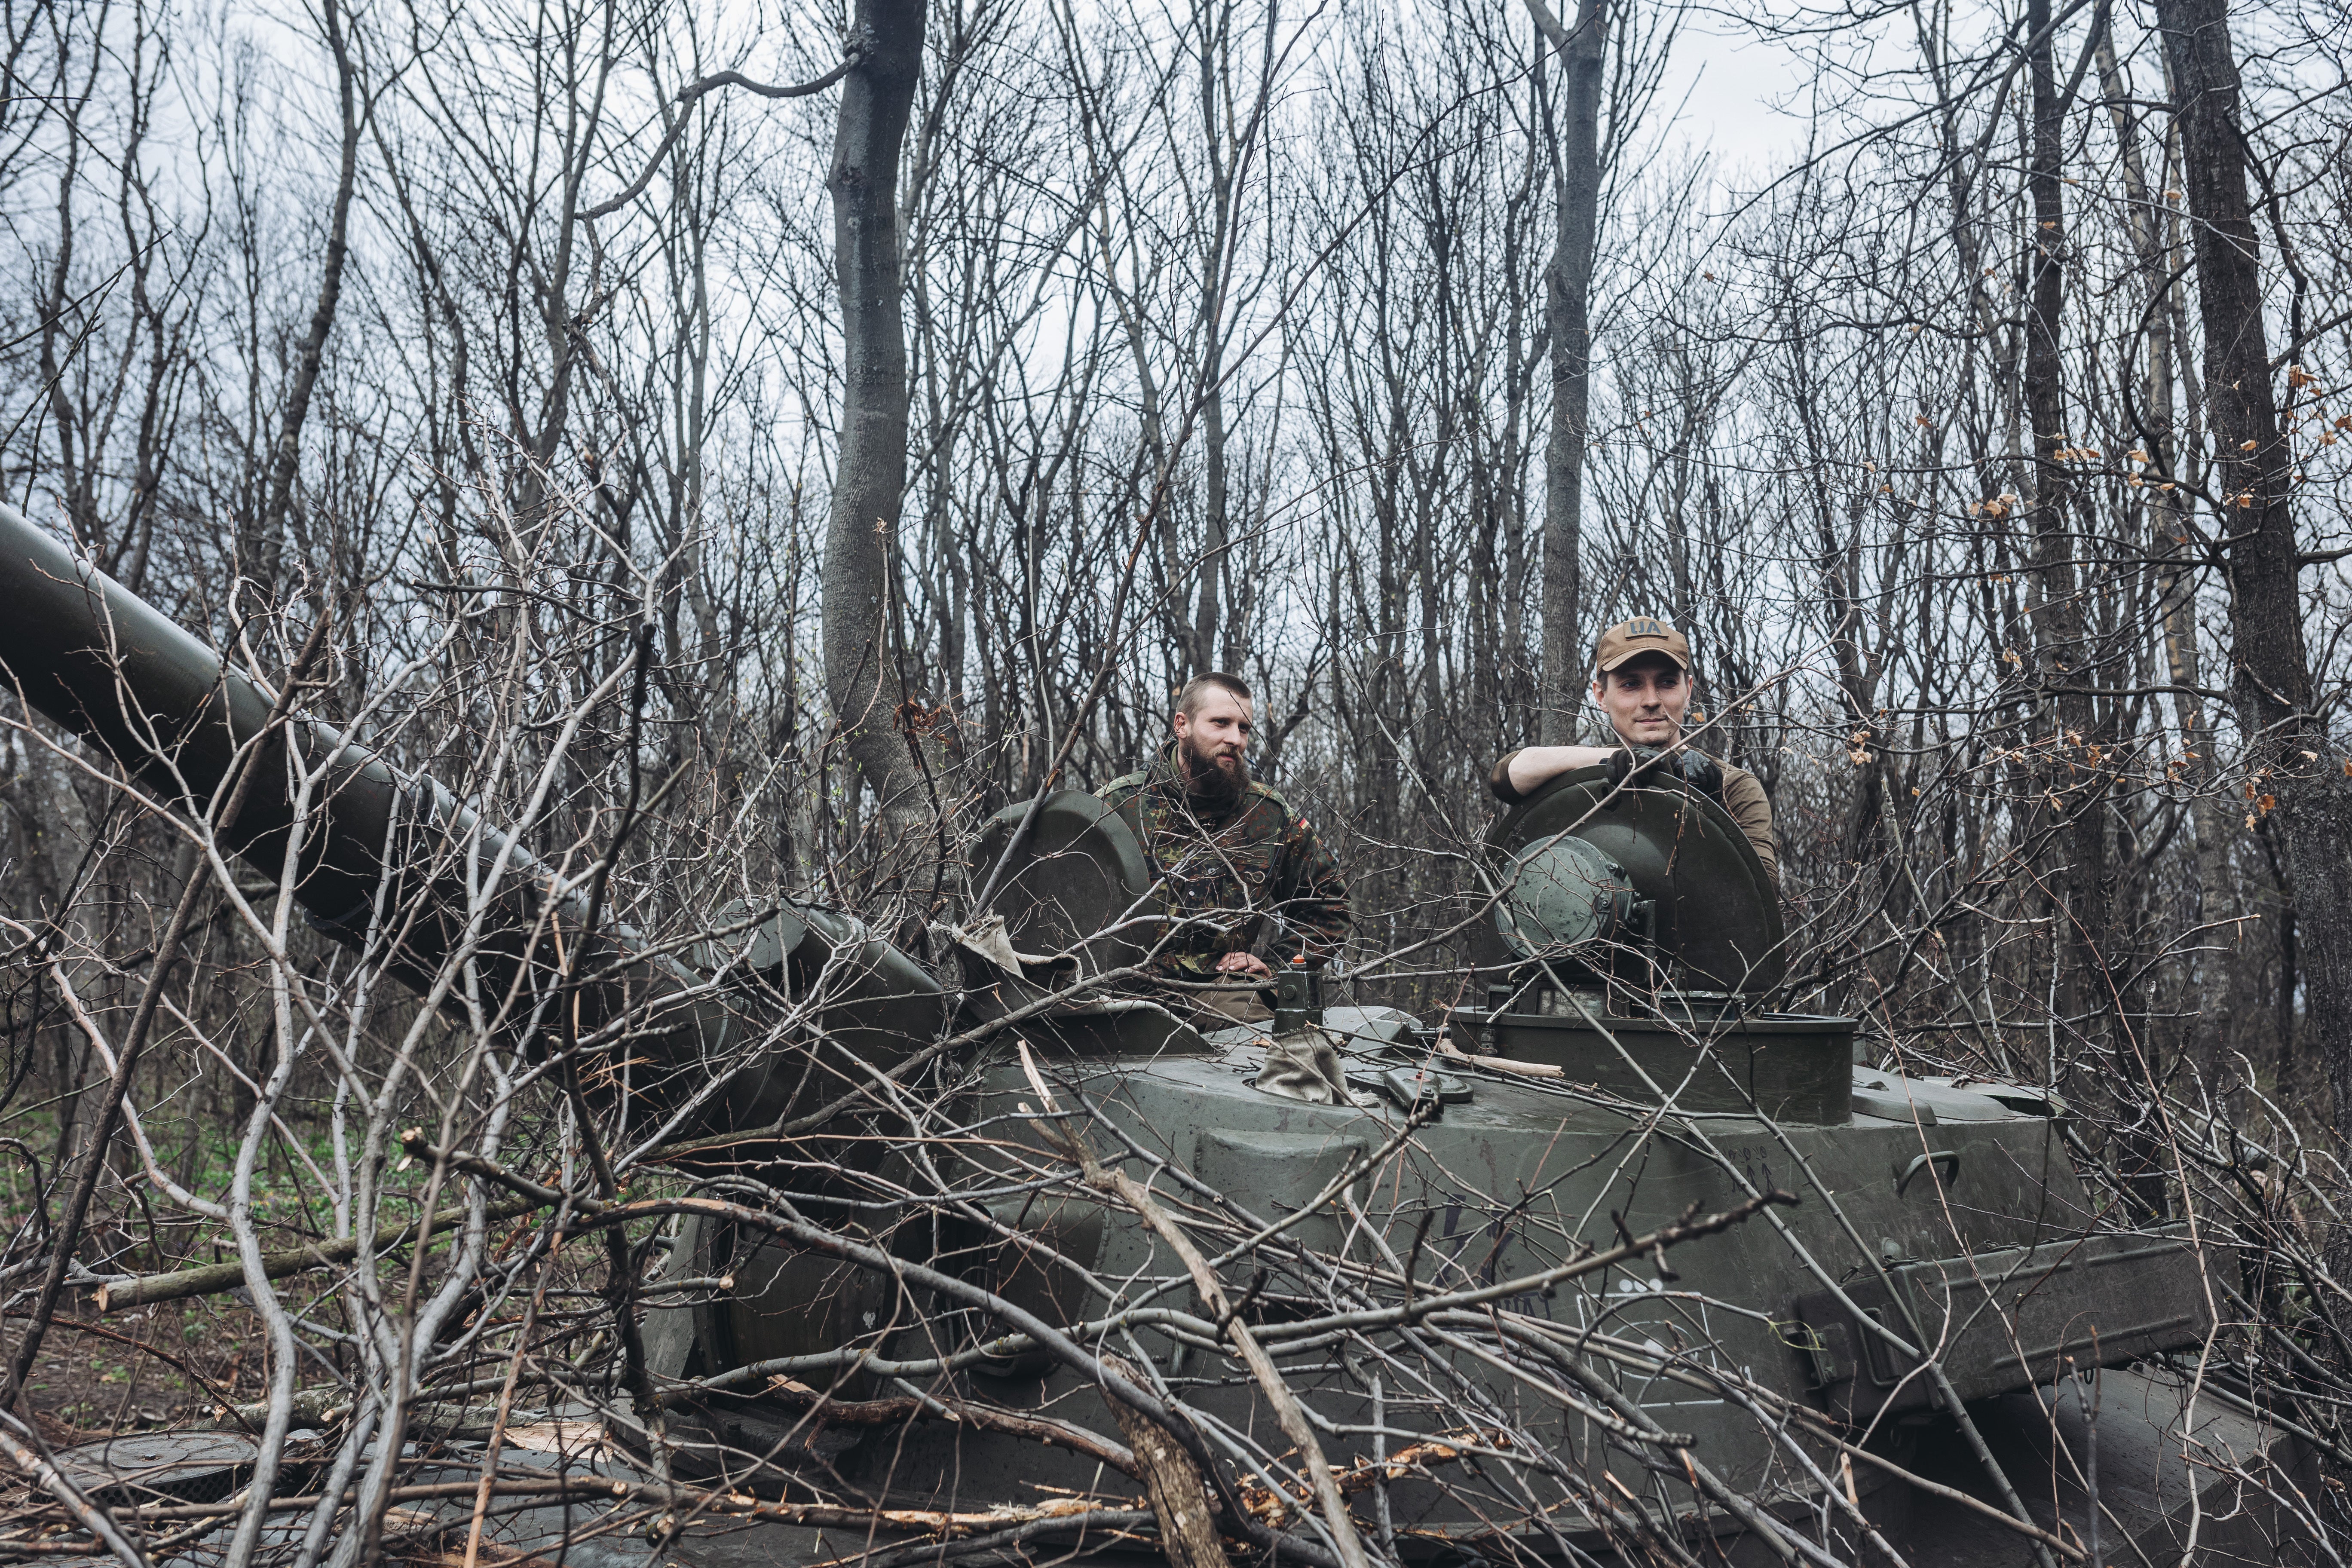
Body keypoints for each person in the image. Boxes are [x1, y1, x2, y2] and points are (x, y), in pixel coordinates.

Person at [1101, 672, 1350, 1014]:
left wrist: (1278, 967)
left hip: (1216, 991)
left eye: (1244, 728)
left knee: (1263, 1037)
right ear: (1182, 725)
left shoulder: (1268, 815)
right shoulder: (1120, 805)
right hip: (1118, 985)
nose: (1235, 739)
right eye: (1221, 723)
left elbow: (1328, 906)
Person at [1489, 617, 1779, 883]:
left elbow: (1763, 899)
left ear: (1688, 691)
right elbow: (1507, 777)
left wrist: (1710, 810)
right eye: (1631, 684)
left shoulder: (1735, 787)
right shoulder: (1588, 775)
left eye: (1667, 683)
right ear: (1601, 696)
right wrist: (1618, 762)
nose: (1651, 700)